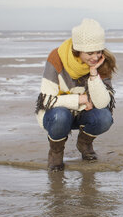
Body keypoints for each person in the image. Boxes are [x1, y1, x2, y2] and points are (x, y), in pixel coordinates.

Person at [35, 18, 117, 171]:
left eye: (99, 51)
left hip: (83, 114)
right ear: (78, 50)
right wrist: (80, 99)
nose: (95, 57)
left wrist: (93, 74)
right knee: (60, 116)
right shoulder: (56, 58)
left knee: (105, 117)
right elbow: (46, 100)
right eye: (90, 53)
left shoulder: (101, 62)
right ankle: (56, 152)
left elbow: (103, 103)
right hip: (56, 115)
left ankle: (84, 144)